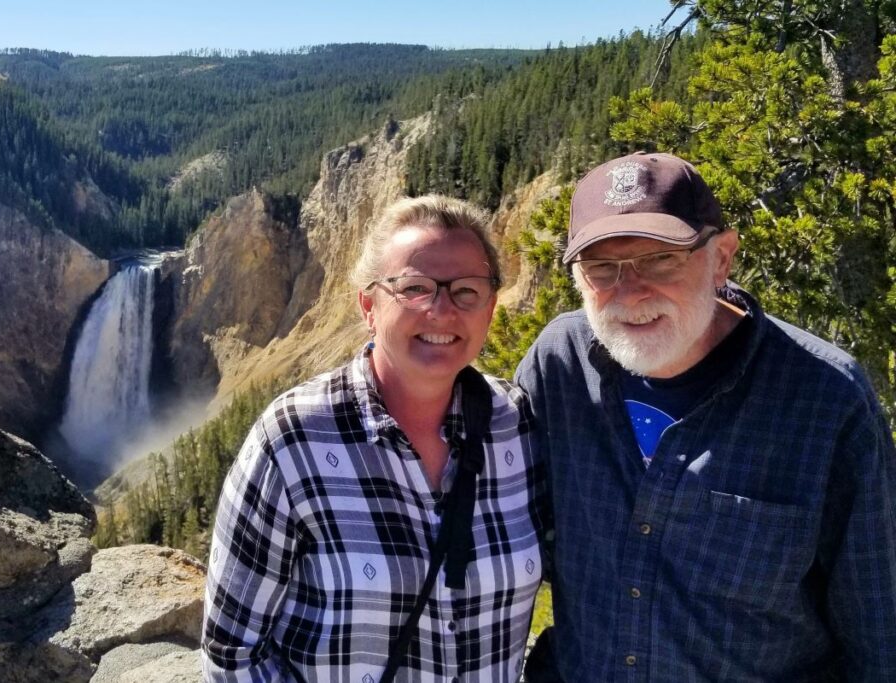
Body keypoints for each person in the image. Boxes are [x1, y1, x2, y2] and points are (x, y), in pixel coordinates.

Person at [516, 152, 896, 681]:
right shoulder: (559, 365)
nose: (630, 291)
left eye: (660, 259)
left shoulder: (826, 400)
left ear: (721, 257)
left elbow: (880, 627)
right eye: (603, 268)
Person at [202, 195, 545, 682]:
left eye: (466, 291)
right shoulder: (294, 441)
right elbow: (231, 652)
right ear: (369, 306)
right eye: (415, 288)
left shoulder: (516, 426)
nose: (441, 310)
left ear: (490, 307)